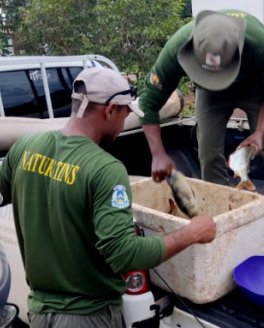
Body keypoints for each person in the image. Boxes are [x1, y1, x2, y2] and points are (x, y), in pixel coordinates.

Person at [0, 67, 216, 328]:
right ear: (110, 109)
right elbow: (124, 254)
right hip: (87, 316)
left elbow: (16, 196)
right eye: (125, 114)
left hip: (39, 312)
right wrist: (193, 232)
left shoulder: (23, 149)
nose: (123, 123)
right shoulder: (106, 169)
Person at [138, 9, 264, 244]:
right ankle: (222, 214)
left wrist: (258, 134)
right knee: (207, 149)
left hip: (256, 88)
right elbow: (148, 102)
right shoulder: (178, 46)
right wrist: (157, 153)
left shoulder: (259, 43)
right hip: (210, 93)